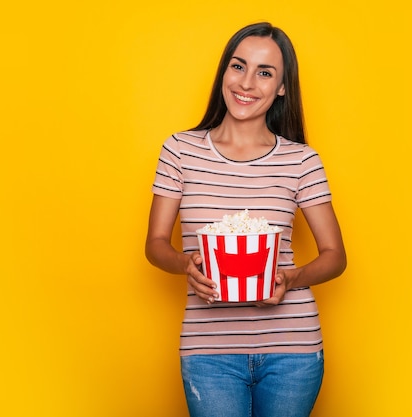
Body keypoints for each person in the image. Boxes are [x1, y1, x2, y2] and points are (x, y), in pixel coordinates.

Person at [145, 21, 347, 417]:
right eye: (238, 67)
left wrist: (292, 278)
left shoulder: (301, 160)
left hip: (293, 349)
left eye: (265, 72)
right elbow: (154, 244)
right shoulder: (180, 151)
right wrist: (184, 264)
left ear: (282, 87)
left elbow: (335, 255)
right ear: (224, 71)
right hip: (209, 351)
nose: (247, 83)